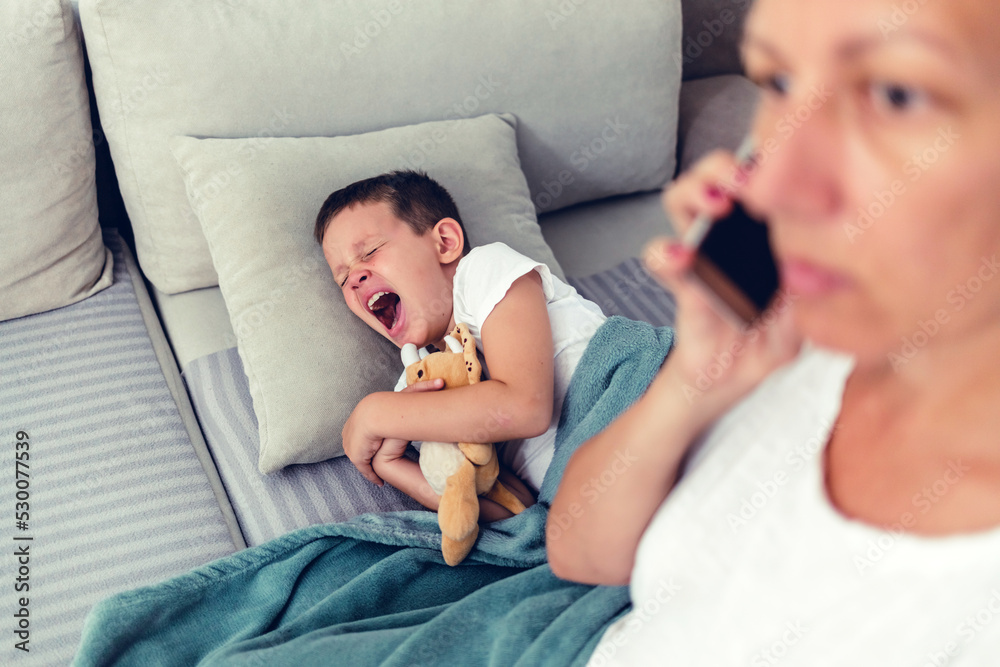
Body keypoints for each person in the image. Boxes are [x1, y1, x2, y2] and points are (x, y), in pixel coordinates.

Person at [548, 0, 1000, 664]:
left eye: (896, 94)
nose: (776, 183)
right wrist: (696, 380)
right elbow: (579, 552)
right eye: (779, 82)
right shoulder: (803, 334)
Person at [315, 170, 607, 519]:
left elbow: (526, 406)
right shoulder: (419, 386)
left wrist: (375, 413)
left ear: (445, 242)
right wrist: (391, 464)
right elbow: (513, 509)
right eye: (343, 278)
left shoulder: (483, 271)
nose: (356, 278)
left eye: (371, 251)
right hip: (592, 502)